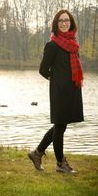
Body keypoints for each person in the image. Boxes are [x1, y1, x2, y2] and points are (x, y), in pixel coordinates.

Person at [28, 9, 84, 173]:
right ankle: (60, 164)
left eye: (67, 20)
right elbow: (43, 69)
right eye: (61, 21)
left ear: (71, 22)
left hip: (73, 89)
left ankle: (37, 153)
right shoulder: (52, 44)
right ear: (56, 24)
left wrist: (69, 81)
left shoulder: (73, 44)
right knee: (60, 126)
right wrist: (57, 79)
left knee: (61, 126)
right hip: (59, 91)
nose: (64, 23)